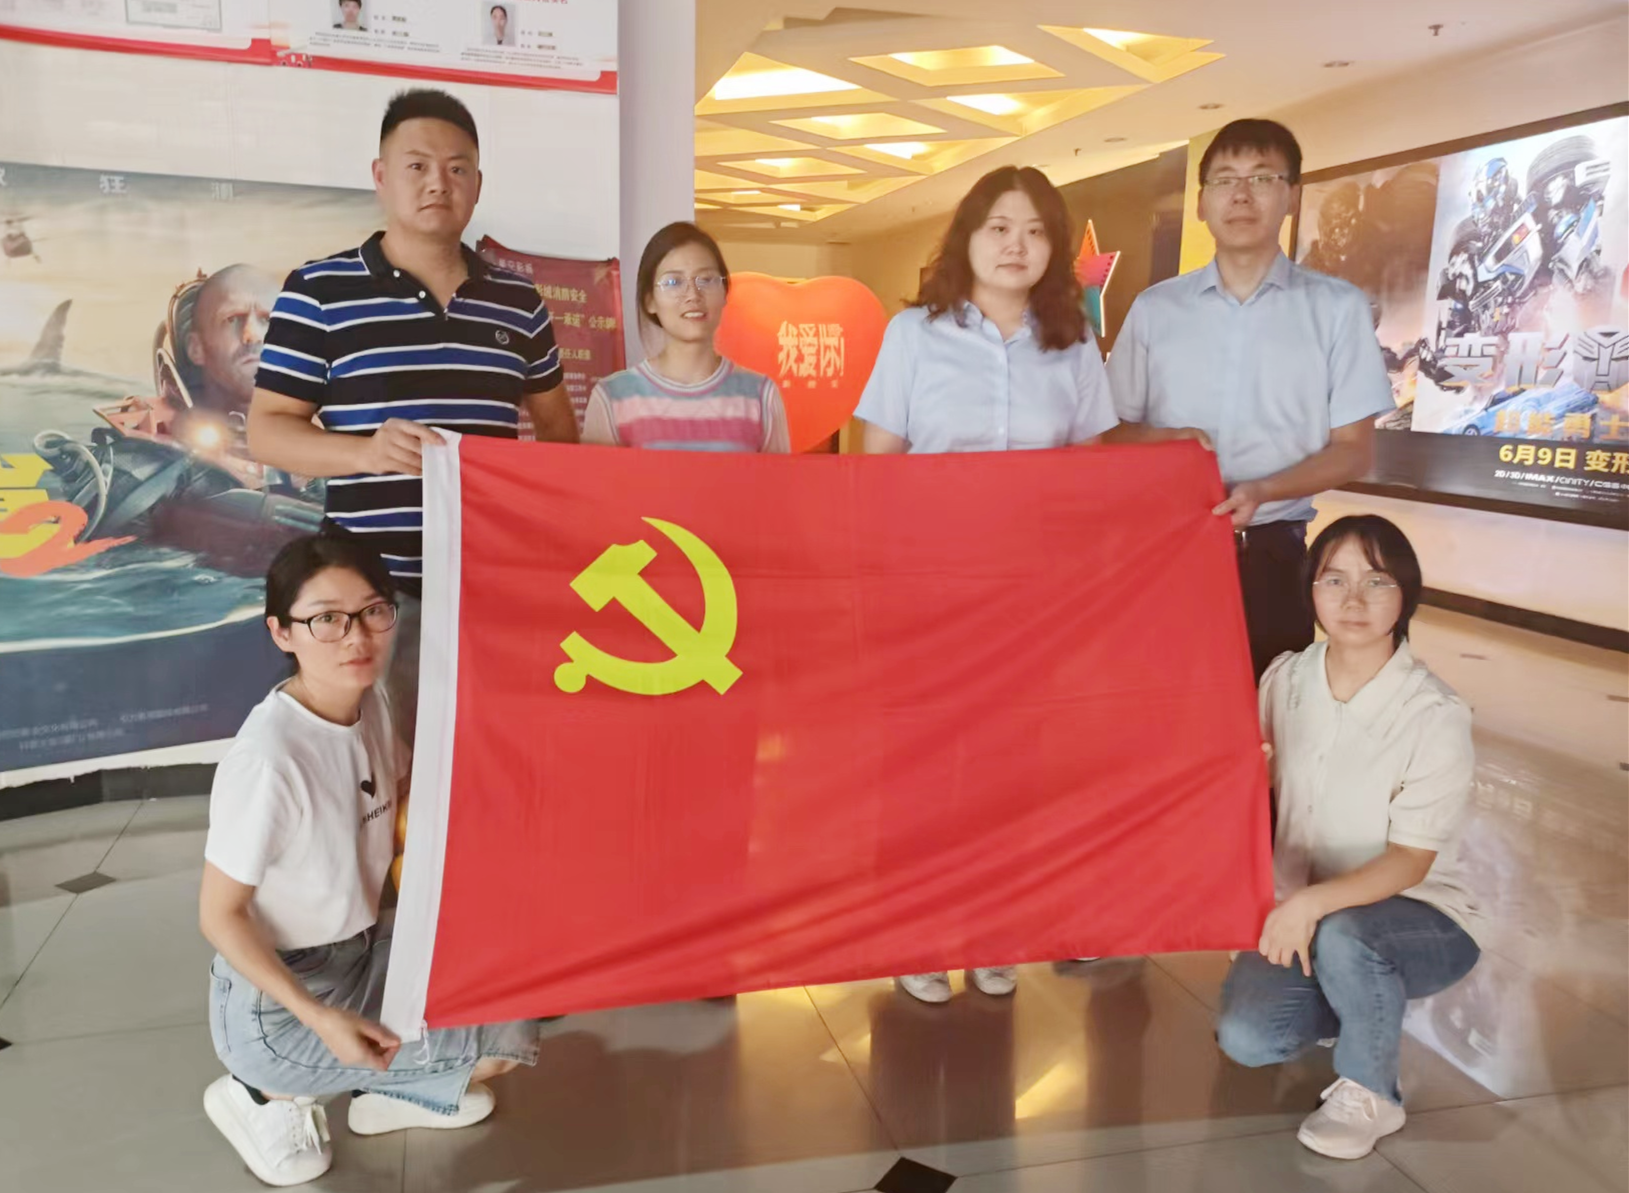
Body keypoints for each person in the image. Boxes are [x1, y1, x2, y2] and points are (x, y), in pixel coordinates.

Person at [854, 164, 1119, 1004]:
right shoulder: (914, 334)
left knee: (1011, 771)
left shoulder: (1073, 344)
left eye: (1035, 230)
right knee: (923, 769)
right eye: (999, 226)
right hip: (928, 596)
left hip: (1028, 604)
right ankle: (916, 932)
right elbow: (875, 466)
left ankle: (993, 930)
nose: (1016, 245)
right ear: (966, 237)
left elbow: (1089, 474)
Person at [200, 533, 539, 1187]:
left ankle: (383, 1090)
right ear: (281, 632)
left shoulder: (371, 701)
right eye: (326, 618)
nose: (355, 636)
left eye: (372, 611)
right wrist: (319, 1018)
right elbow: (219, 916)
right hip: (283, 1000)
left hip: (365, 948)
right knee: (495, 1052)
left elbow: (403, 798)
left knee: (514, 1002)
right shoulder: (269, 759)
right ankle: (260, 1093)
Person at [247, 89, 577, 751]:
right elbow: (268, 430)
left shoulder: (518, 302)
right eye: (417, 166)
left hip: (492, 586)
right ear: (381, 176)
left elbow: (559, 434)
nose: (438, 183)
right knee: (378, 771)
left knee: (487, 758)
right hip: (373, 596)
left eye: (457, 169)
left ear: (477, 184)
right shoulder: (319, 291)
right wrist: (365, 452)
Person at [1215, 515, 1480, 1160]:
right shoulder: (1284, 680)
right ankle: (1356, 1000)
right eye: (1334, 580)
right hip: (1304, 913)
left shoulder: (1433, 713)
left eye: (1377, 580)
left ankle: (1371, 1091)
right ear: (1310, 590)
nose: (1354, 599)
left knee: (1347, 934)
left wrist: (1308, 904)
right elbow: (1253, 789)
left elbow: (1411, 860)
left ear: (1406, 594)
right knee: (1249, 1038)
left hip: (1421, 919)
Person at [1105, 119, 1394, 680]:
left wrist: (1262, 491)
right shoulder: (1155, 309)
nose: (1241, 195)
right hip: (1162, 548)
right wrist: (1166, 439)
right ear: (1201, 203)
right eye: (1224, 180)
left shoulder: (1337, 308)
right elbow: (1110, 431)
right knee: (1156, 700)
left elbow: (1354, 450)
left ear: (1291, 196)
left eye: (1262, 178)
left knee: (1265, 709)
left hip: (1272, 558)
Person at [582, 222, 789, 452]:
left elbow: (779, 477)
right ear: (650, 300)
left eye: (706, 280)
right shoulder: (613, 398)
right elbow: (597, 477)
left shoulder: (760, 396)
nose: (692, 295)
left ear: (724, 293)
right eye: (673, 282)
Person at [186, 264, 277, 420]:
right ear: (196, 348)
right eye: (232, 319)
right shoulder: (167, 428)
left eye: (267, 320)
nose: (253, 336)